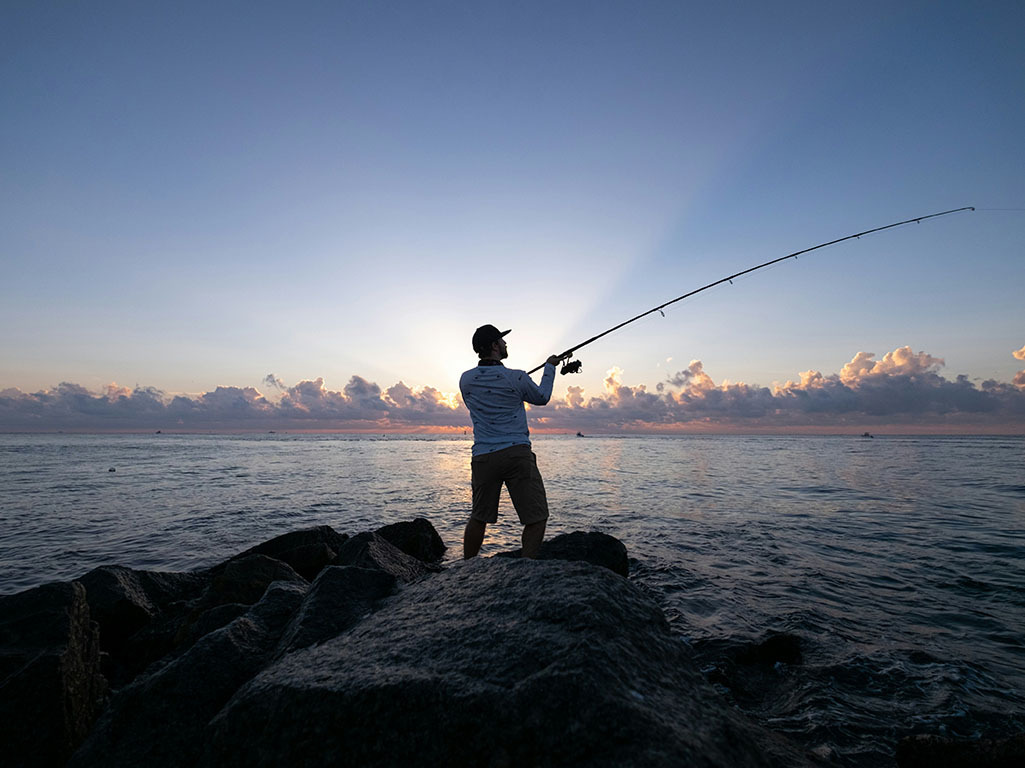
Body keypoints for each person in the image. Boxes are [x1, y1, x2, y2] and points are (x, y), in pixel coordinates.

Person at [459, 324, 561, 559]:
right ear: (495, 346)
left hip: (483, 457)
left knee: (479, 516)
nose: (506, 344)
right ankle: (526, 569)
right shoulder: (516, 377)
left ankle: (466, 568)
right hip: (517, 454)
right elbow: (542, 397)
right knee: (536, 517)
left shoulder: (465, 380)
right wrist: (549, 367)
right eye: (502, 341)